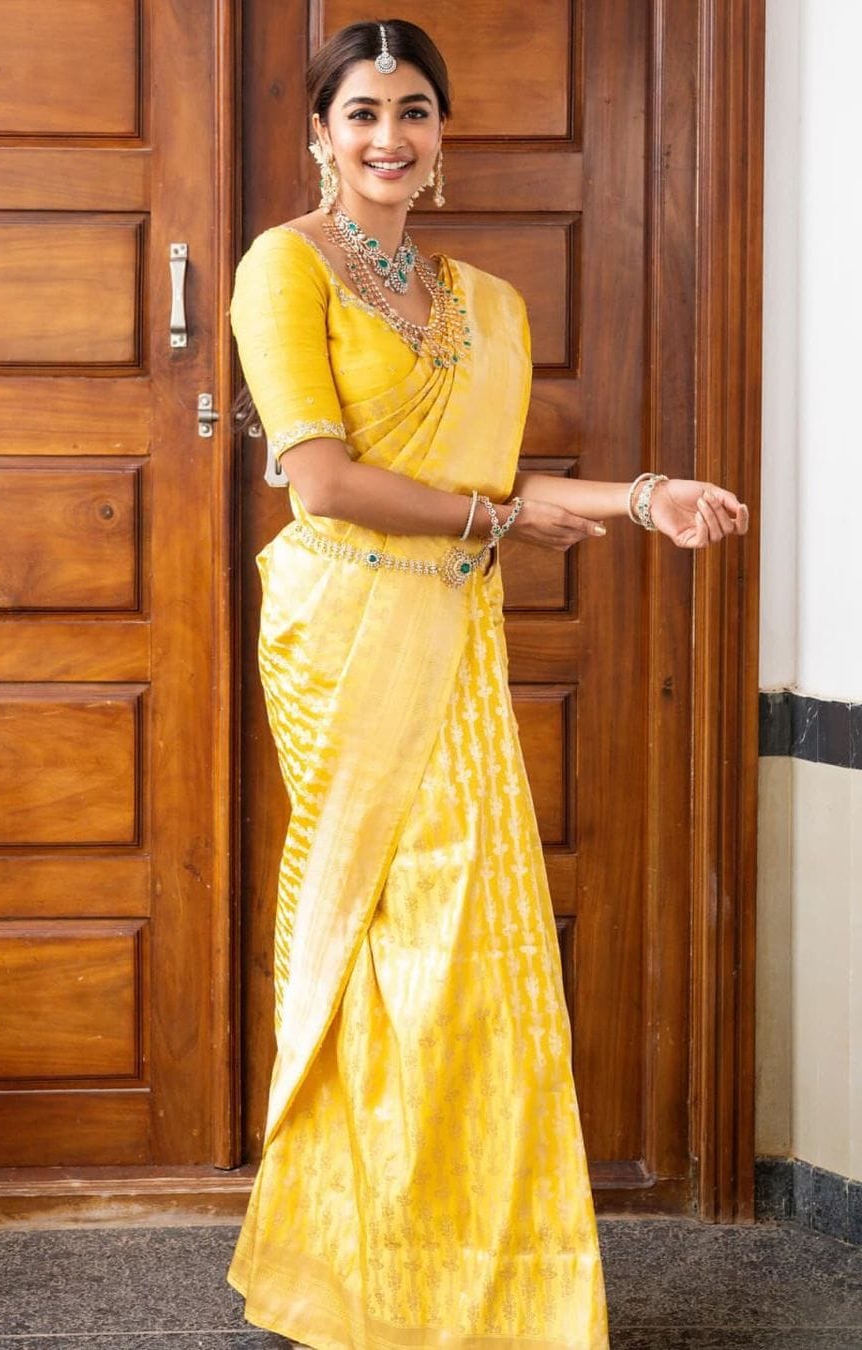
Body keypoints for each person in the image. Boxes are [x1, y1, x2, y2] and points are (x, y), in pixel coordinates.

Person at [226, 19, 748, 1350]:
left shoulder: (487, 306)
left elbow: (501, 497)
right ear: (320, 135)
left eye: (412, 110)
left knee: (474, 951)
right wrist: (500, 525)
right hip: (343, 634)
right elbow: (322, 478)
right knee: (381, 940)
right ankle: (350, 1274)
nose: (388, 135)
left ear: (442, 134)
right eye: (361, 113)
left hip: (448, 631)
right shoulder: (283, 271)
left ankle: (472, 1284)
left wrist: (643, 495)